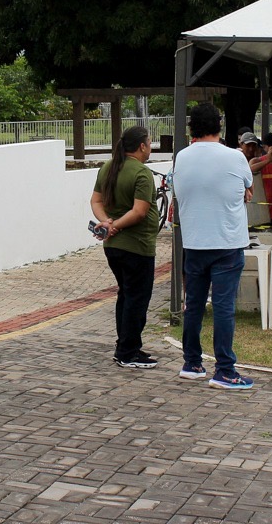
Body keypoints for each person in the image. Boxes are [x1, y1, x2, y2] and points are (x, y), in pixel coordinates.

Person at [172, 102, 255, 390]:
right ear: (219, 126)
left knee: (193, 305)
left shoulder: (181, 158)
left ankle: (192, 363)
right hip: (227, 242)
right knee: (223, 307)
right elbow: (247, 186)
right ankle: (225, 369)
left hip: (194, 242)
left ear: (191, 128)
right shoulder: (234, 157)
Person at [90, 126, 161, 369]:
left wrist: (105, 223)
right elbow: (140, 212)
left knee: (126, 295)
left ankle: (125, 346)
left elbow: (96, 201)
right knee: (136, 299)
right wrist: (115, 226)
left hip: (113, 247)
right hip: (136, 246)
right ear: (142, 146)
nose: (150, 148)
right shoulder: (141, 173)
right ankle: (129, 352)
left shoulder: (108, 167)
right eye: (149, 143)